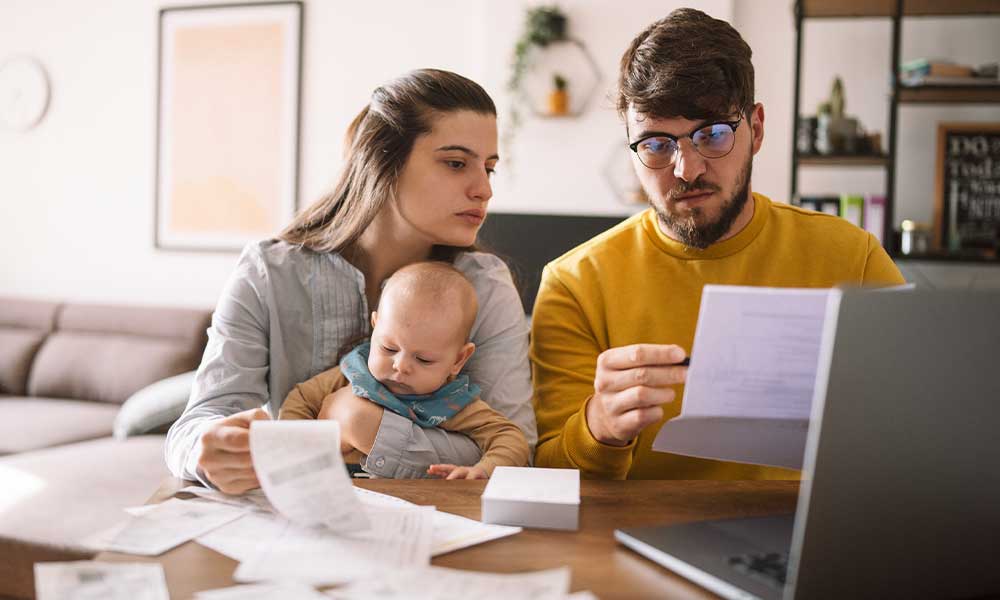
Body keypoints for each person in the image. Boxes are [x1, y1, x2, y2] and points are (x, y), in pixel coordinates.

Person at [530, 8, 905, 480]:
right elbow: (547, 478)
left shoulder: (854, 258)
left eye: (712, 134)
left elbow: (920, 429)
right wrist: (599, 427)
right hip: (634, 542)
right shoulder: (574, 284)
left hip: (807, 537)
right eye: (656, 144)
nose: (687, 169)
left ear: (758, 130)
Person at [165, 69, 536, 493]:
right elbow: (195, 425)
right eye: (456, 163)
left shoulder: (485, 286)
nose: (484, 189)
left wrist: (363, 424)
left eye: (489, 168)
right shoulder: (268, 273)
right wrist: (205, 450)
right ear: (382, 163)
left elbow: (517, 448)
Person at [279, 261, 530, 479]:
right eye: (388, 348)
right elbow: (300, 399)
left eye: (423, 359)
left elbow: (511, 439)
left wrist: (484, 470)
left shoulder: (452, 403)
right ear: (375, 327)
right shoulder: (353, 373)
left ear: (459, 359)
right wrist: (295, 453)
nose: (400, 366)